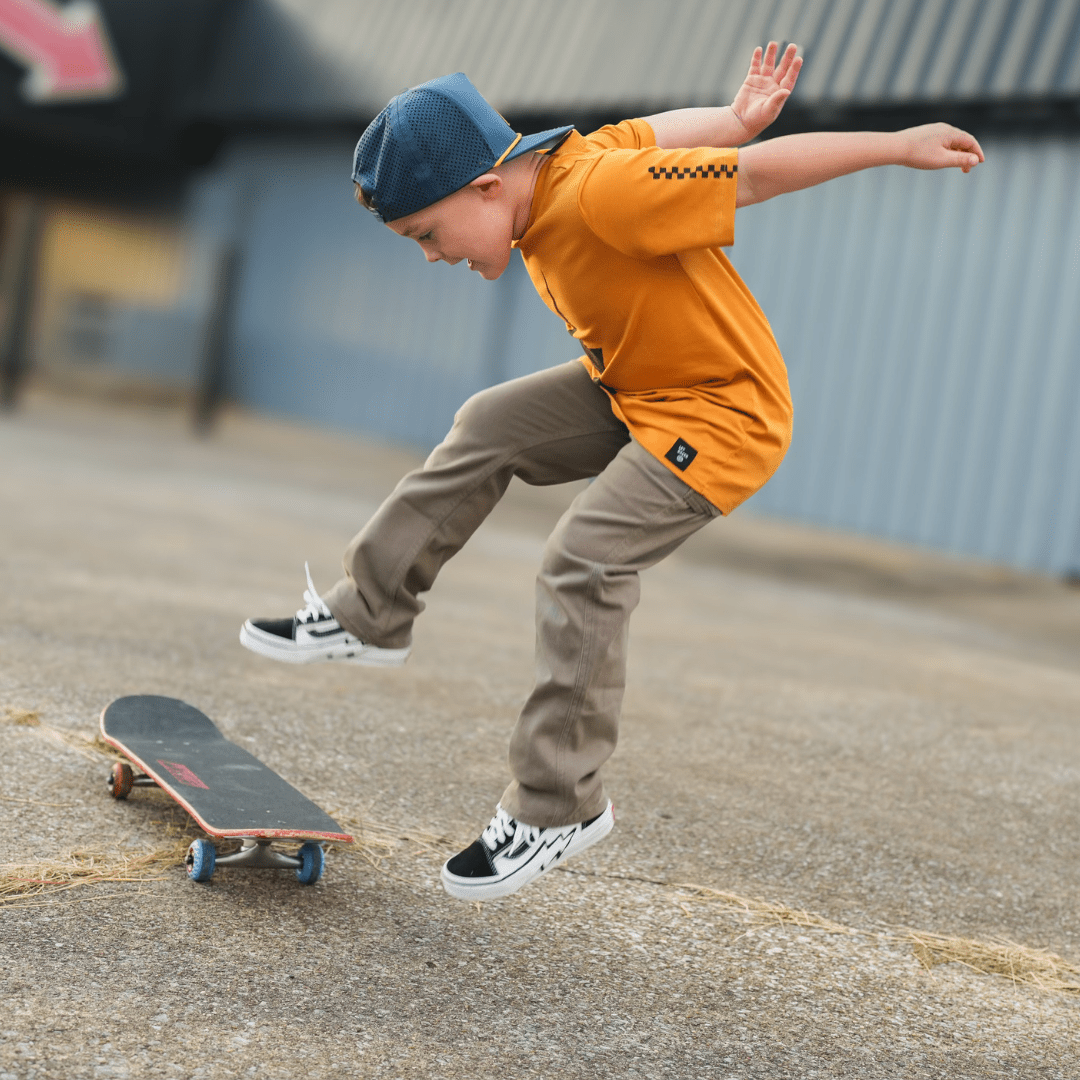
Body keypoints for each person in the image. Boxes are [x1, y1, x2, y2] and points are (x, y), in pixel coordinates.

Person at [240, 43, 984, 901]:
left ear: (488, 186)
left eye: (428, 233)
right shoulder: (565, 169)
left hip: (719, 413)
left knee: (583, 562)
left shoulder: (601, 194)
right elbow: (663, 131)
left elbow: (755, 176)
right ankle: (369, 614)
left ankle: (558, 805)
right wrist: (731, 115)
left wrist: (895, 143)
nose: (431, 255)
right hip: (637, 385)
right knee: (490, 423)